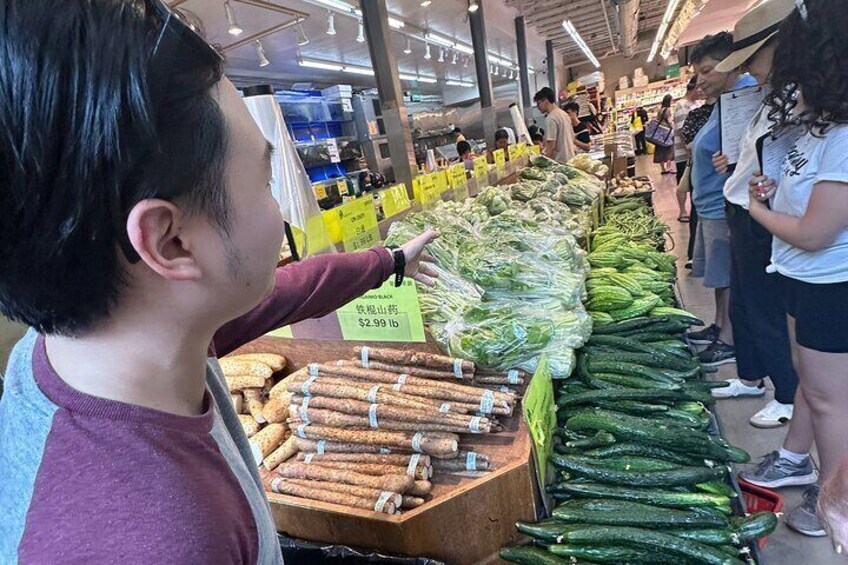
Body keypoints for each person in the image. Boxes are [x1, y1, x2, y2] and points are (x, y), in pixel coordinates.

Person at [0, 2, 439, 561]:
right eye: (262, 178)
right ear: (171, 241)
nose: (276, 208)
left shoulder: (90, 341)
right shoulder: (163, 538)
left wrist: (389, 261)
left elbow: (284, 292)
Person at [744, 0, 848, 537]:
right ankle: (796, 458)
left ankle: (836, 502)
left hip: (833, 285)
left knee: (832, 400)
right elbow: (802, 205)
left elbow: (815, 232)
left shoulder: (845, 136)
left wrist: (759, 210)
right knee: (812, 384)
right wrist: (772, 192)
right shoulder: (819, 126)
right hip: (801, 278)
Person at [706, 0, 798, 430]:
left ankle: (786, 394)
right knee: (744, 303)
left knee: (765, 308)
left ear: (781, 45)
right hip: (744, 210)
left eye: (753, 58)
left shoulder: (801, 98)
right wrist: (733, 163)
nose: (750, 69)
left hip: (763, 216)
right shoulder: (769, 95)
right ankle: (750, 375)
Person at [687, 31, 758, 367]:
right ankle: (719, 327)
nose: (701, 80)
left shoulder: (745, 96)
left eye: (707, 70)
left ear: (731, 65)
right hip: (711, 203)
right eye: (698, 72)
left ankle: (728, 340)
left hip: (722, 204)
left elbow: (753, 152)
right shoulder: (725, 101)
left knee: (726, 275)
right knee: (719, 276)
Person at [680, 97, 717, 268]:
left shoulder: (725, 108)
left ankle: (697, 255)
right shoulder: (695, 114)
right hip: (701, 176)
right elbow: (687, 141)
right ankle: (694, 255)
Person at [673, 77, 702, 222]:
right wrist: (690, 151)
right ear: (693, 89)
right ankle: (682, 211)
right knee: (683, 183)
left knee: (692, 183)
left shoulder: (696, 103)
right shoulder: (681, 106)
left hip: (694, 153)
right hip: (684, 155)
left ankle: (693, 209)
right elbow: (683, 132)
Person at [533, 87, 576, 163]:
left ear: (546, 100)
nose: (538, 107)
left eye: (538, 103)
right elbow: (572, 137)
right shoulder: (563, 114)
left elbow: (551, 145)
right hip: (571, 158)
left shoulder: (551, 118)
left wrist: (541, 162)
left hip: (561, 162)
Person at [653, 94, 676, 174]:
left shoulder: (660, 110)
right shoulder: (668, 109)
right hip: (667, 131)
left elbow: (657, 119)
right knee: (669, 149)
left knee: (660, 150)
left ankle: (663, 168)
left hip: (660, 132)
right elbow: (669, 121)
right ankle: (669, 168)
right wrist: (672, 127)